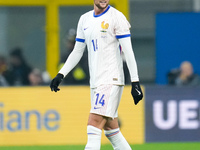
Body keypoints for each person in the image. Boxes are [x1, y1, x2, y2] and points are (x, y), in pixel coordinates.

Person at [50, 0, 143, 149]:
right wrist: (61, 74)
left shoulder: (117, 17)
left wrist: (135, 82)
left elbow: (128, 51)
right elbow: (77, 51)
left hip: (111, 79)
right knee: (111, 130)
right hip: (96, 82)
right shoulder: (85, 19)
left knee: (93, 124)